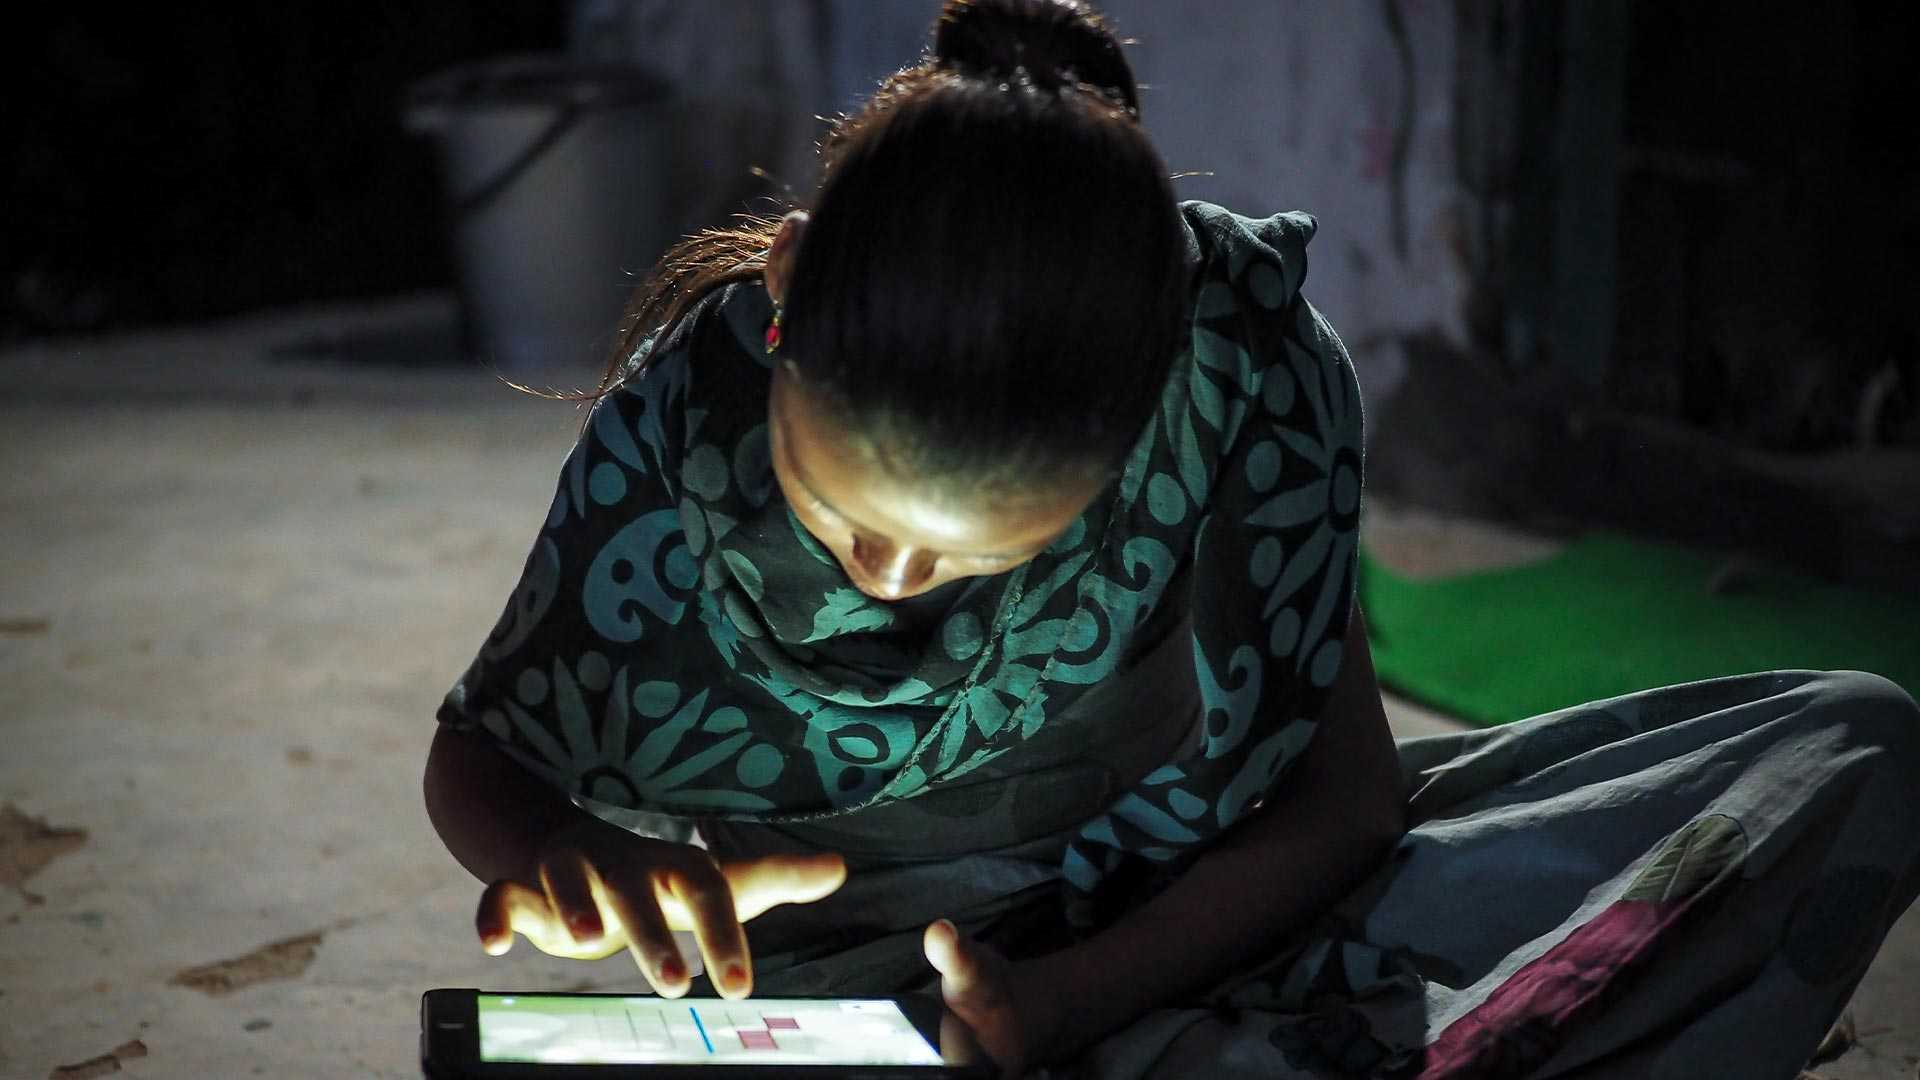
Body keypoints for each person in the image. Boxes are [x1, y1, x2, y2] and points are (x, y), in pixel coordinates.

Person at [423, 1, 1920, 1076]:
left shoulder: (1248, 380)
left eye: (980, 548)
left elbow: (1342, 814)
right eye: (855, 518)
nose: (890, 584)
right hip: (890, 1012)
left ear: (1148, 415)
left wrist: (1076, 1000)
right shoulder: (678, 426)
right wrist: (575, 849)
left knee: (1853, 744)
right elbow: (482, 755)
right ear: (790, 296)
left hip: (1232, 932)